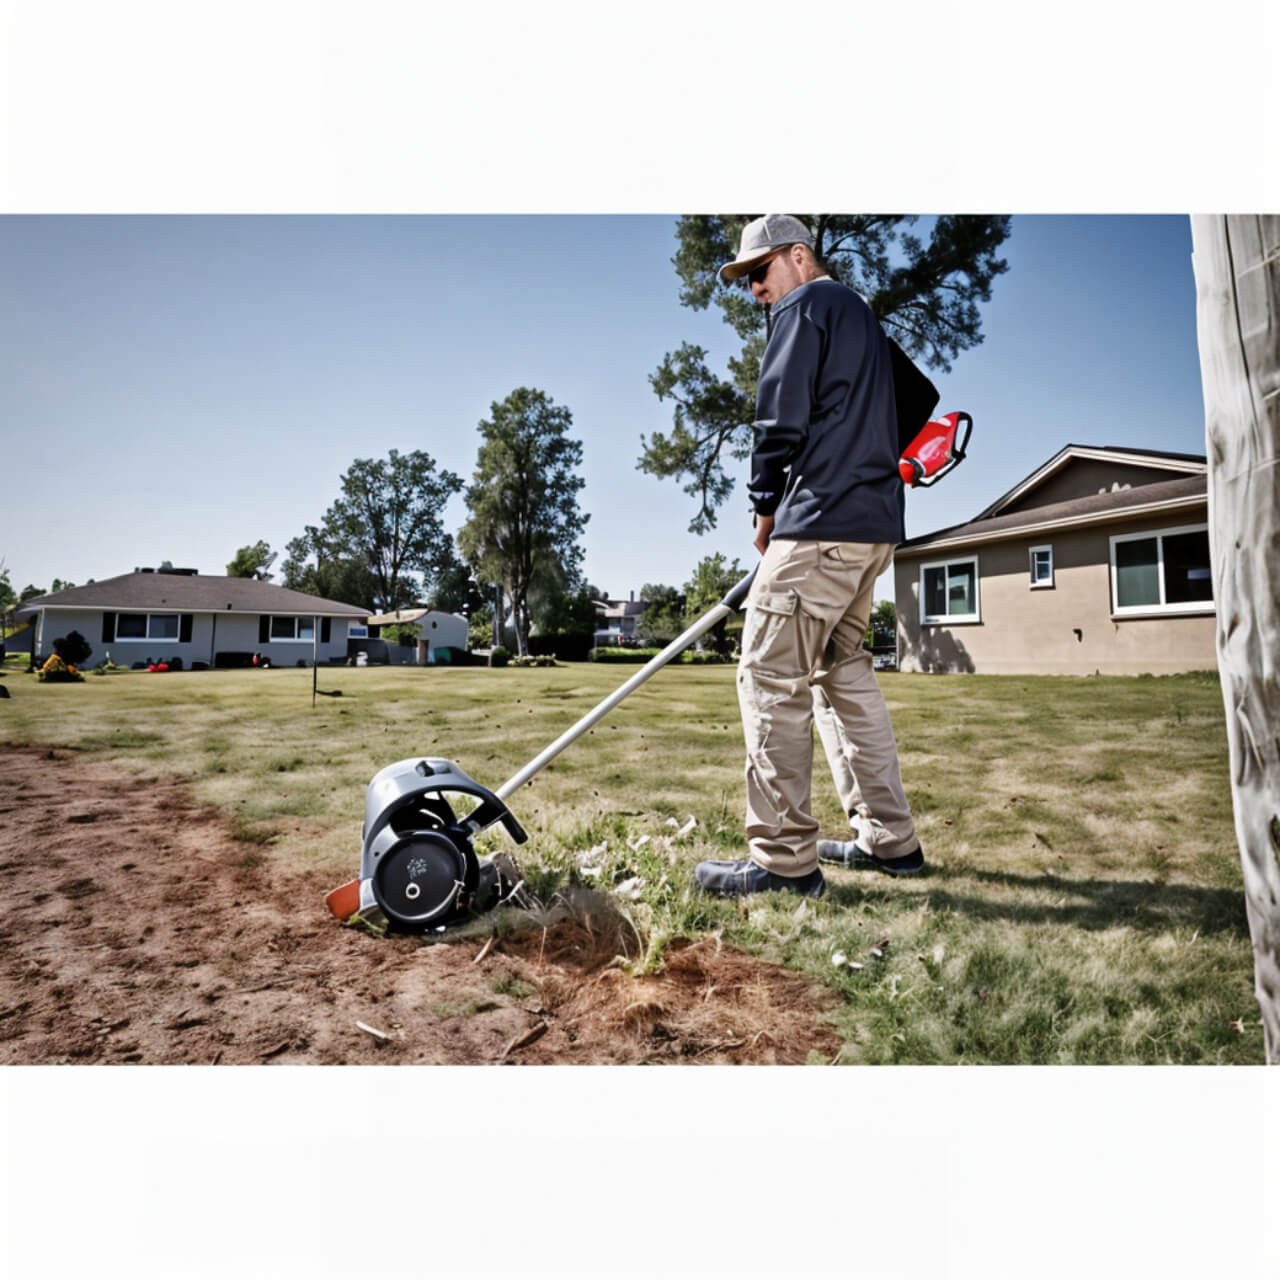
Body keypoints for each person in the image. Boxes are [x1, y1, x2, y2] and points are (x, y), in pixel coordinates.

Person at [694, 215, 925, 899]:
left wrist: (765, 504)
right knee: (842, 673)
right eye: (747, 282)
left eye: (760, 273)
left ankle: (783, 862)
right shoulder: (864, 321)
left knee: (769, 673)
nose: (756, 290)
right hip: (873, 529)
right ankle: (890, 842)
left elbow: (778, 416)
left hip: (820, 525)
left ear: (799, 256)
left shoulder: (806, 305)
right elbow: (915, 403)